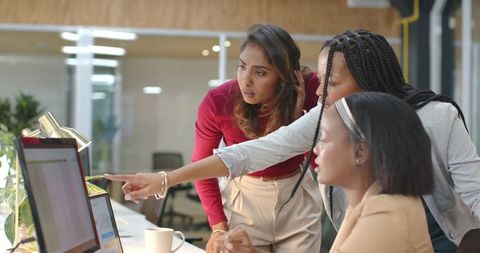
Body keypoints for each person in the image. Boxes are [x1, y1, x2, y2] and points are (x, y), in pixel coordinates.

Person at [105, 30, 480, 252]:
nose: (320, 96)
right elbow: (252, 153)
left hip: (447, 236)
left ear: (368, 83)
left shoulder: (435, 118)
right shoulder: (331, 115)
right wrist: (167, 179)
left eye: (330, 84)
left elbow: (474, 196)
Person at [214, 92, 435, 253]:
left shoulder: (386, 217)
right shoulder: (371, 202)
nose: (315, 149)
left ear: (360, 151)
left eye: (325, 139)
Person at [192, 24, 322, 253]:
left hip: (296, 195)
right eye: (242, 66)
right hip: (244, 199)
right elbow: (203, 169)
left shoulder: (310, 89)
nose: (246, 80)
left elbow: (321, 155)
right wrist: (218, 227)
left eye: (260, 72)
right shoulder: (218, 100)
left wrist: (299, 119)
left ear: (284, 76)